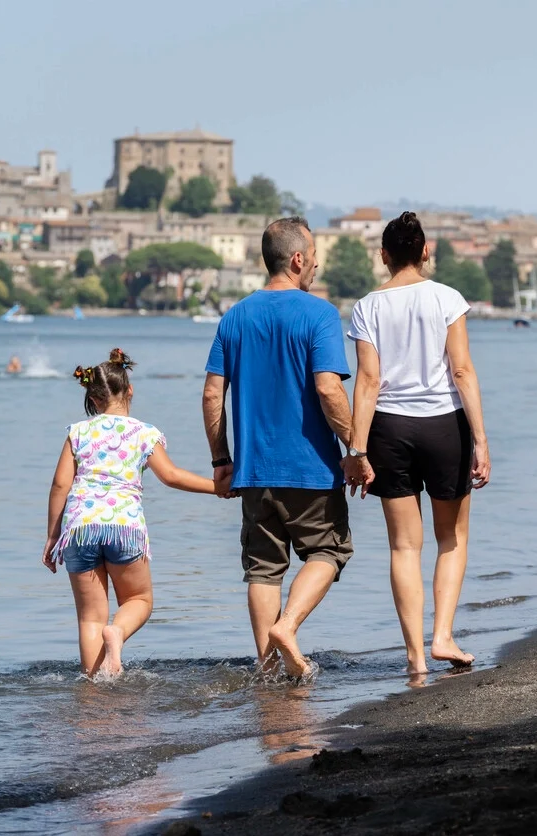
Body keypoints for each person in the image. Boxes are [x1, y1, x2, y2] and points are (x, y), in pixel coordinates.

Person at [203, 217, 358, 681]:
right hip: (310, 468)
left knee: (263, 570)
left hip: (253, 471)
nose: (316, 264)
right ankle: (287, 628)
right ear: (296, 260)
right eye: (312, 256)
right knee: (329, 552)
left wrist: (221, 460)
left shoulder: (235, 316)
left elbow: (213, 394)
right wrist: (357, 447)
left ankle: (267, 668)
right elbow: (329, 390)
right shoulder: (320, 314)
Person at [344, 212, 491, 676]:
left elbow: (368, 381)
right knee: (452, 537)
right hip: (445, 426)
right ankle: (442, 635)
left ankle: (414, 658)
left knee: (404, 547)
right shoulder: (447, 298)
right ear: (424, 250)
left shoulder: (367, 306)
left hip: (389, 430)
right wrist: (482, 441)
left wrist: (356, 449)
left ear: (384, 256)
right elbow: (462, 371)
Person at [42, 349, 217, 677]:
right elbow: (172, 476)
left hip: (80, 528)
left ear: (92, 399)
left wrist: (53, 535)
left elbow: (59, 486)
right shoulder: (144, 432)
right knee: (139, 600)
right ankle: (117, 634)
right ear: (129, 390)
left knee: (90, 618)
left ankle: (95, 693)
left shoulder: (78, 433)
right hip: (124, 527)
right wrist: (218, 487)